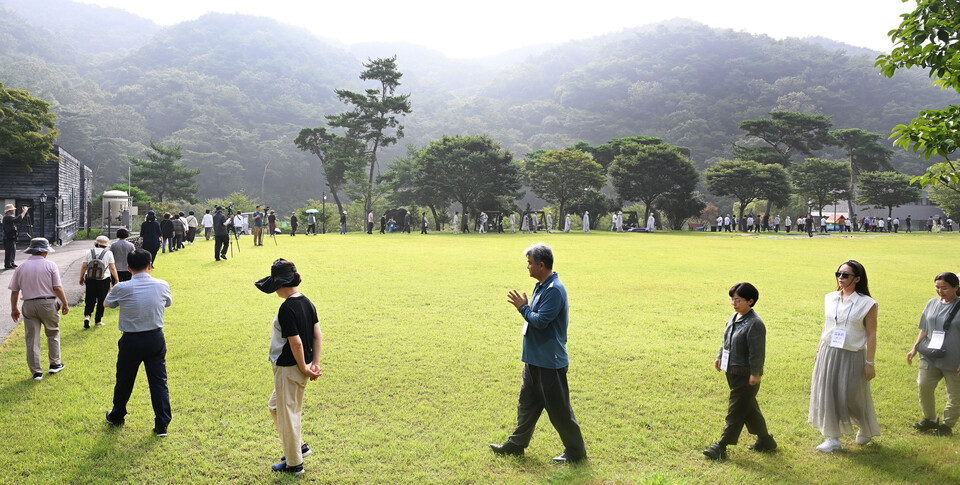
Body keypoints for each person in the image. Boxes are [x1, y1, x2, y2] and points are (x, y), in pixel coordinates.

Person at [490, 243, 587, 464]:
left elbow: (541, 321)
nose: (528, 267)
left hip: (549, 362)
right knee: (527, 404)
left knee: (559, 411)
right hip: (534, 360)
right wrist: (526, 308)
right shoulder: (541, 286)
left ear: (541, 265)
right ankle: (516, 444)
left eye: (530, 263)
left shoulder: (554, 290)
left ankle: (576, 451)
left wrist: (523, 308)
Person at [255, 259, 323, 474]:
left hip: (289, 368)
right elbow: (317, 335)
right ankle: (299, 446)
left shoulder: (287, 308)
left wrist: (304, 367)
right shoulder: (307, 302)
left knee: (288, 413)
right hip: (300, 367)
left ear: (281, 284)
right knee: (276, 406)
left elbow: (296, 342)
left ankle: (294, 464)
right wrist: (314, 364)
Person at [808, 260, 880, 452]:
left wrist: (869, 363)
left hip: (852, 354)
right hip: (828, 351)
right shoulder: (830, 298)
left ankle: (865, 427)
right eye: (838, 274)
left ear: (857, 278)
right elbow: (827, 324)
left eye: (845, 275)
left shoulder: (867, 303)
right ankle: (833, 439)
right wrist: (818, 349)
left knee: (852, 395)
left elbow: (871, 333)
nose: (841, 278)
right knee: (828, 394)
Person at [103, 248, 173, 437]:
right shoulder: (162, 285)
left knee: (124, 380)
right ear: (150, 265)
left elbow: (107, 304)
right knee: (159, 382)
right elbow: (168, 303)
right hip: (155, 337)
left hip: (131, 339)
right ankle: (162, 423)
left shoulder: (121, 288)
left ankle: (117, 415)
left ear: (128, 268)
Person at [703, 282, 775, 460]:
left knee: (736, 409)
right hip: (731, 370)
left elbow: (757, 352)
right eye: (732, 299)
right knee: (748, 407)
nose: (734, 303)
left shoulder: (755, 324)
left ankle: (721, 446)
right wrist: (720, 356)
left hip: (745, 374)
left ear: (750, 301)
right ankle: (766, 441)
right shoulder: (734, 317)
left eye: (738, 300)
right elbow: (726, 339)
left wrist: (755, 373)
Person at [906, 272, 960, 437]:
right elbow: (924, 328)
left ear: (956, 287)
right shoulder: (931, 303)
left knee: (955, 395)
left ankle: (947, 426)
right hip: (930, 355)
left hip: (954, 360)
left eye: (945, 288)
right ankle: (930, 419)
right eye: (937, 287)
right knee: (924, 386)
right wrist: (914, 348)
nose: (940, 291)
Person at [8, 238, 69, 380]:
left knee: (32, 338)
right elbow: (57, 288)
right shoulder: (50, 265)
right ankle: (55, 364)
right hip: (47, 303)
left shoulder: (21, 267)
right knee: (52, 332)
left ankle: (36, 371)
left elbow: (15, 291)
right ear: (43, 251)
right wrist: (65, 303)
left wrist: (14, 308)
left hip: (28, 304)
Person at [80, 235, 119, 328]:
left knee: (89, 299)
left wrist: (81, 277)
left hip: (90, 279)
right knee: (101, 300)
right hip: (104, 279)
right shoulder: (108, 253)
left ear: (96, 243)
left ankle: (87, 316)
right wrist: (116, 279)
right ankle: (98, 320)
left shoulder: (88, 252)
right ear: (106, 245)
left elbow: (84, 266)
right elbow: (112, 268)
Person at [3, 204, 28, 269]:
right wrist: (24, 212)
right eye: (13, 209)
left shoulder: (9, 217)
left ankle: (12, 263)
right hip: (9, 237)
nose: (14, 210)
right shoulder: (7, 217)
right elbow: (18, 219)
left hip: (12, 237)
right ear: (9, 211)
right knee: (9, 251)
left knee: (12, 250)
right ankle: (8, 265)